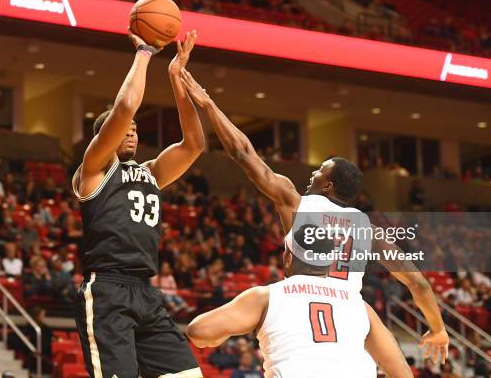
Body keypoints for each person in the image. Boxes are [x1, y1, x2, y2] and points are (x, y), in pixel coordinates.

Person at [180, 68, 449, 368]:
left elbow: (244, 154)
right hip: (350, 317)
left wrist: (208, 105)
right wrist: (437, 329)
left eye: (319, 171)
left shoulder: (297, 205)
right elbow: (418, 284)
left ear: (329, 185)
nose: (313, 173)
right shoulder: (367, 230)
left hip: (299, 310)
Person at [71, 30, 204, 378]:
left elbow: (193, 145)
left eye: (134, 129)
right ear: (105, 136)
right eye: (123, 129)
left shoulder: (151, 172)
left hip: (146, 291)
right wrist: (145, 53)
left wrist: (176, 77)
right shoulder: (96, 169)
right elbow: (126, 106)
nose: (131, 131)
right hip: (108, 291)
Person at [187, 224, 412, 378]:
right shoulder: (360, 305)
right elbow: (401, 371)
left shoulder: (267, 296)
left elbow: (198, 331)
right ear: (329, 262)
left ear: (287, 258)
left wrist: (229, 331)